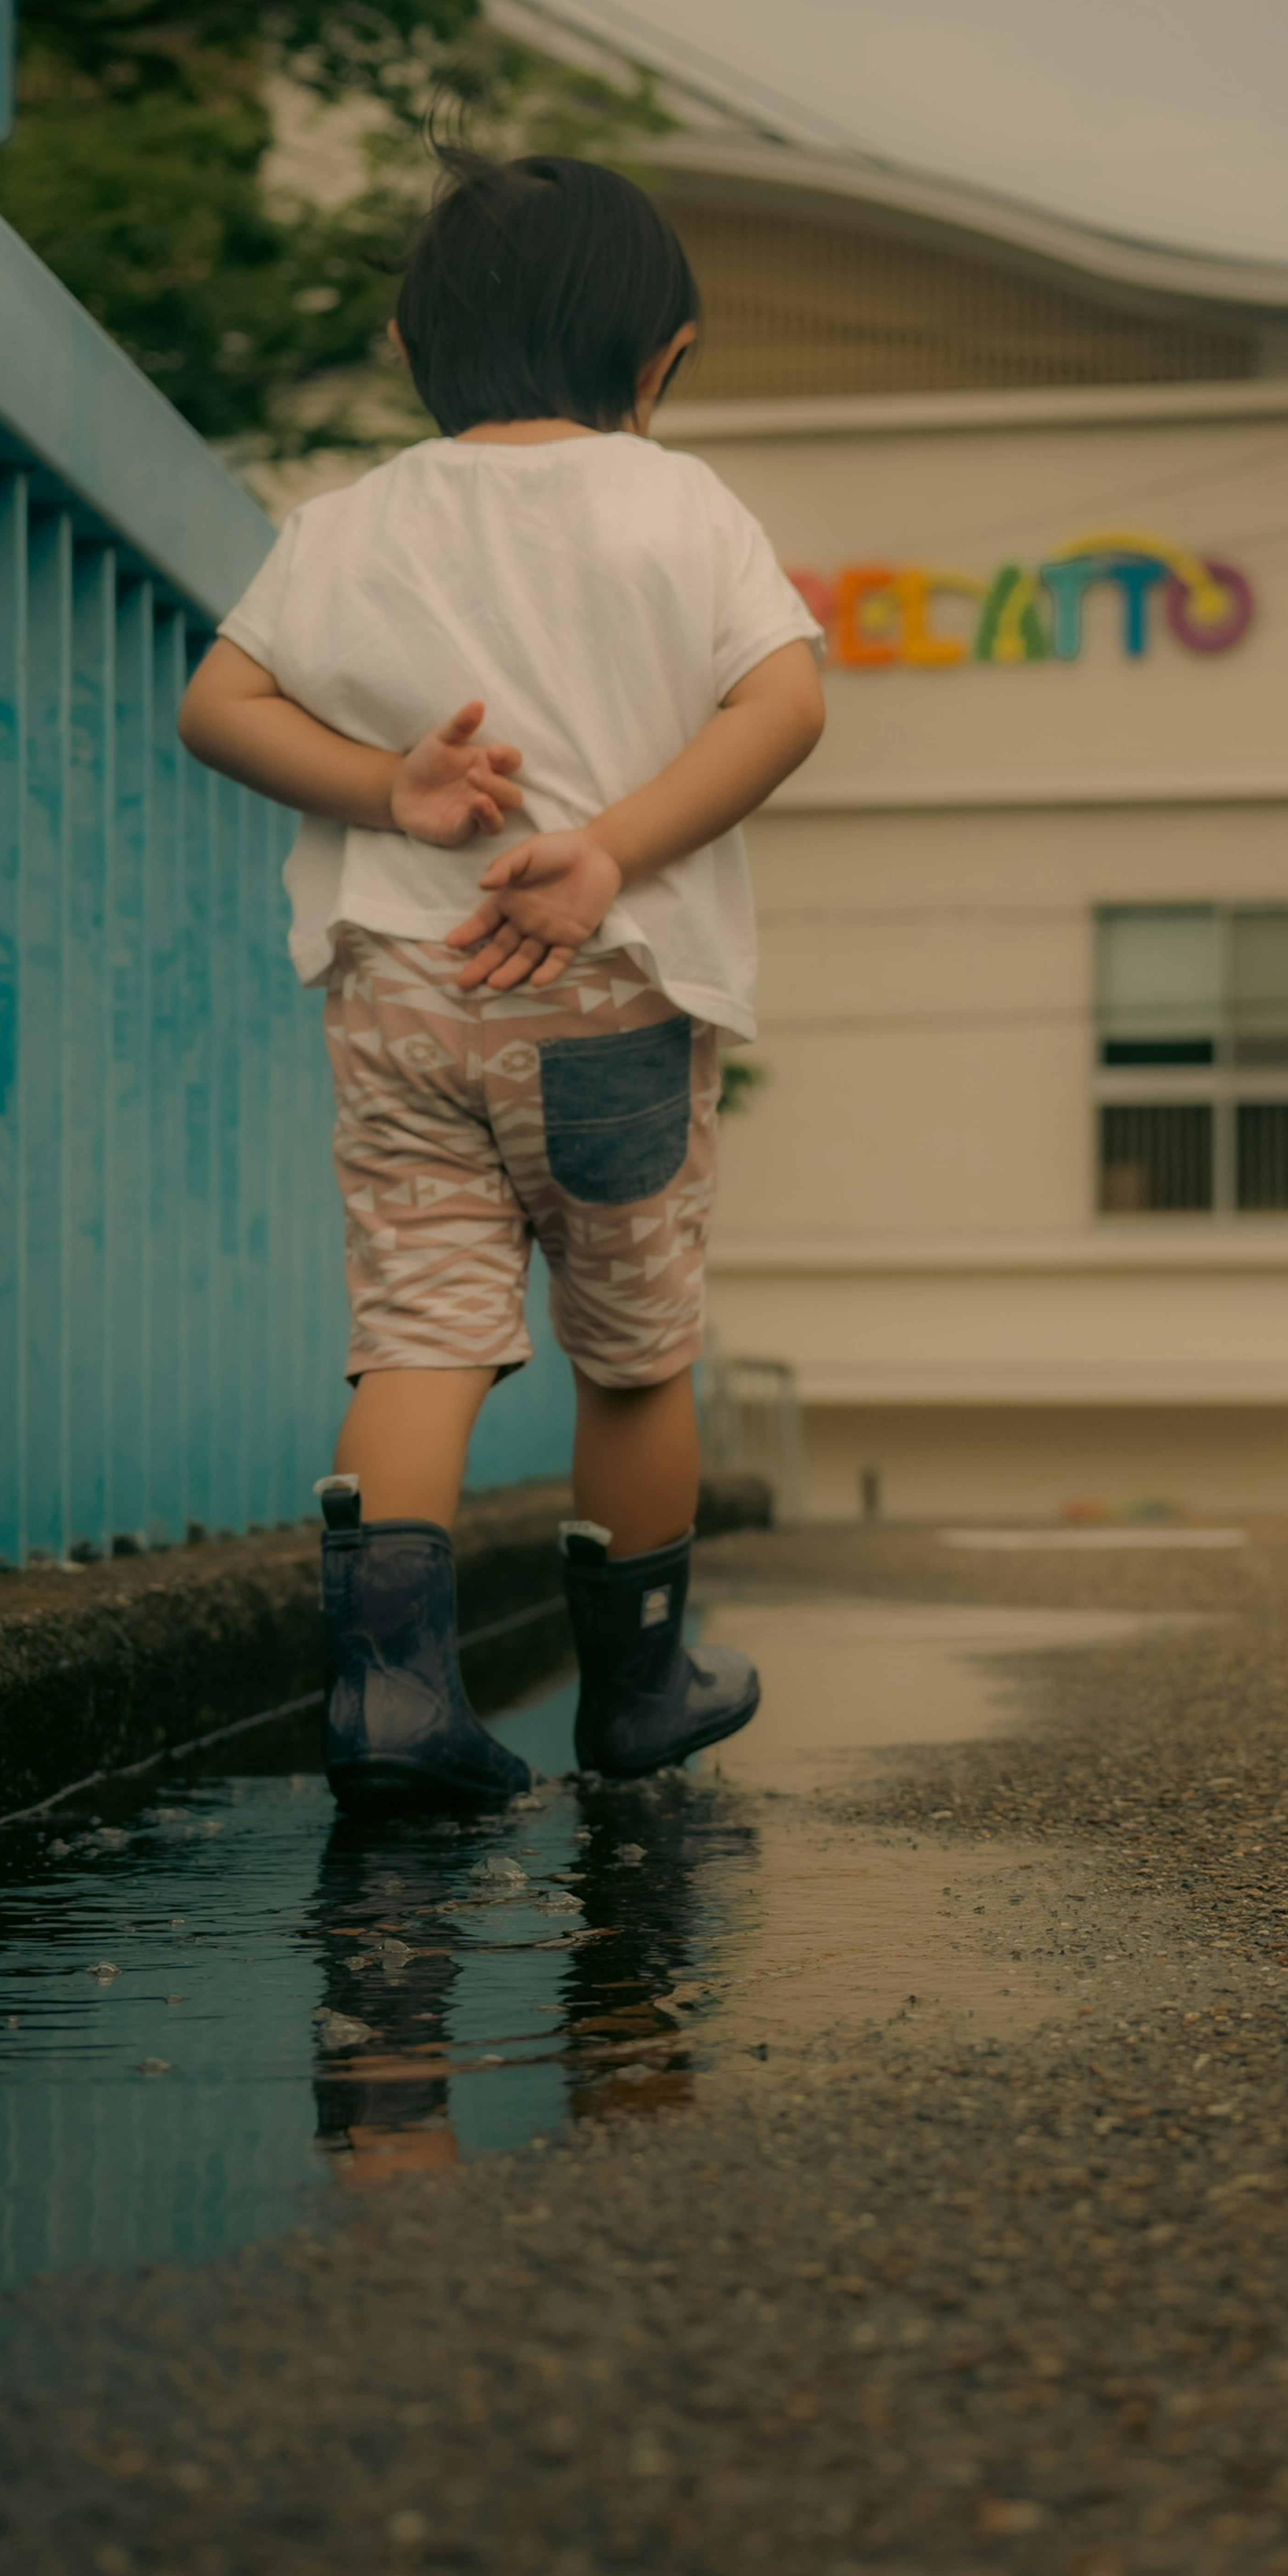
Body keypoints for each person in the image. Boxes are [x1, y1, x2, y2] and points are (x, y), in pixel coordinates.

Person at [178, 149, 826, 1809]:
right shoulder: (679, 503)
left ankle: (393, 1700)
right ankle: (641, 1688)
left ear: (409, 347)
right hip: (608, 988)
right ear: (663, 357)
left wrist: (391, 787)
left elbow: (220, 708)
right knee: (631, 1349)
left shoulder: (348, 520)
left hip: (401, 991)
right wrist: (607, 848)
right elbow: (783, 707)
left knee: (417, 1337)